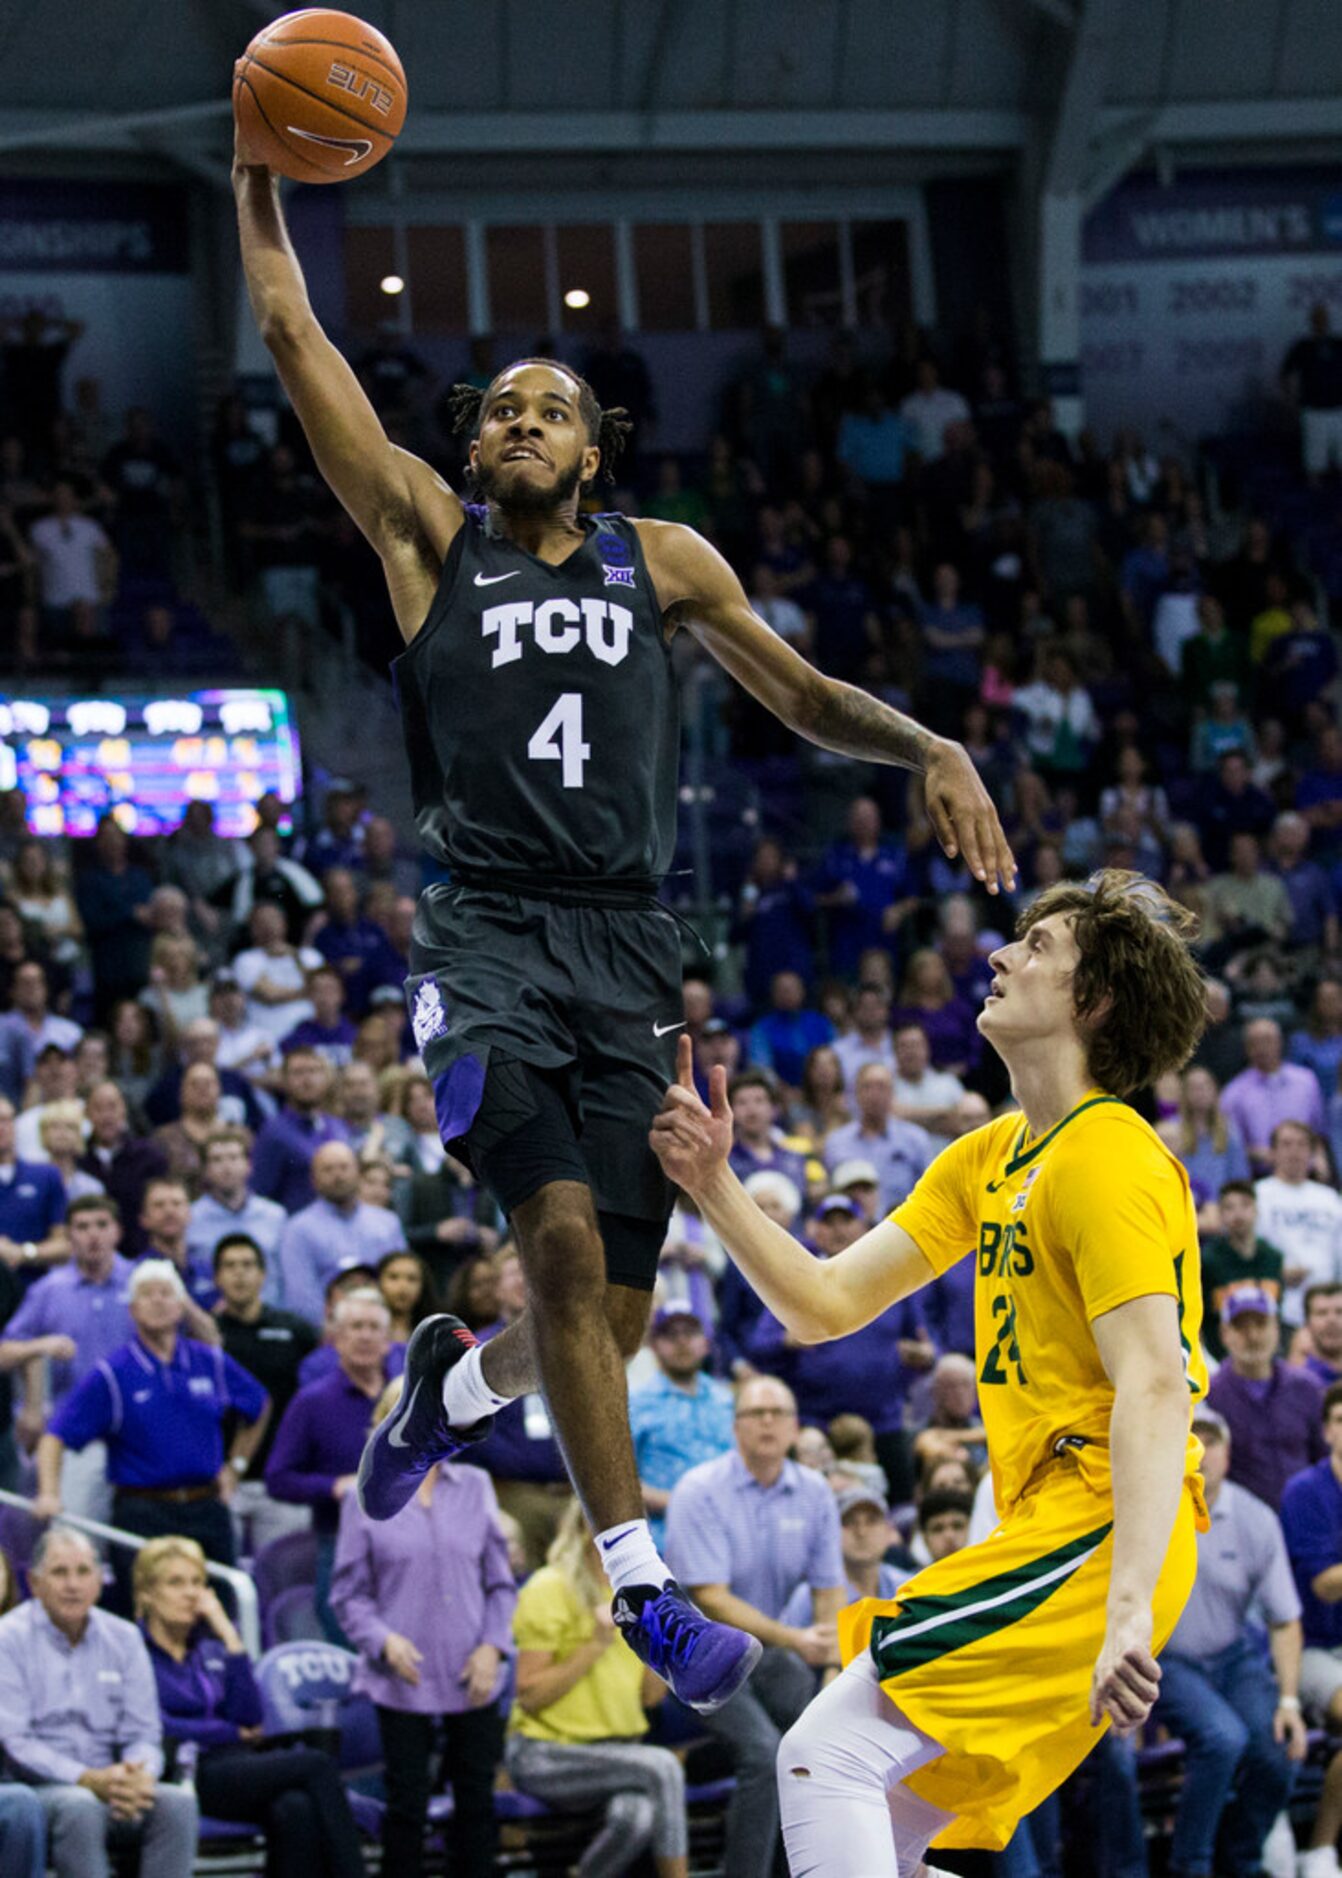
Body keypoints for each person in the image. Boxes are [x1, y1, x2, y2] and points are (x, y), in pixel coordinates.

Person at [235, 129, 1015, 1714]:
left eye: (550, 406)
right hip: (488, 930)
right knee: (563, 1235)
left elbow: (798, 695)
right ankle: (641, 1577)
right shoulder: (421, 538)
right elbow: (292, 333)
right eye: (497, 406)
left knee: (600, 1315)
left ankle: (445, 1392)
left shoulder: (663, 560)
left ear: (592, 450)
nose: (516, 418)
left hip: (629, 944)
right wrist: (258, 177)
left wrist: (928, 742)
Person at [651, 869, 1210, 1874]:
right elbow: (821, 1303)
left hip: (1099, 1528)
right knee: (896, 1819)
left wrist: (1126, 1605)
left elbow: (1156, 1384)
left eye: (1038, 948)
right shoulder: (992, 1154)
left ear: (1092, 1003)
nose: (999, 954)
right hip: (1051, 1523)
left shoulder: (1108, 1157)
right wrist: (712, 1183)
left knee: (824, 1756)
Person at [663, 1375, 846, 1877]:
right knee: (765, 1755)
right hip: (693, 1656)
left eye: (778, 1413)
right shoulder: (698, 1490)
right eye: (755, 1414)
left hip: (765, 1658)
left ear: (794, 1427)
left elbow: (829, 1588)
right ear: (735, 1427)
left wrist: (830, 1664)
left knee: (822, 1742)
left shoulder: (815, 1493)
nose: (767, 1423)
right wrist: (796, 1639)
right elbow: (709, 1597)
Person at [331, 1378, 514, 1877]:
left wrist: (493, 1648)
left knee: (477, 1803)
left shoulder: (476, 1487)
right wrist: (381, 1640)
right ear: (384, 1425)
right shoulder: (363, 1498)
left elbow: (501, 1584)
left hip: (471, 1672)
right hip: (402, 1678)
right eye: (404, 1413)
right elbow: (348, 1595)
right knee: (407, 1805)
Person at [135, 1534, 364, 1875]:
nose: (190, 1593)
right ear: (147, 1594)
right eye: (175, 1582)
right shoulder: (133, 1651)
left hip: (233, 1764)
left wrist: (229, 1636)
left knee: (295, 1808)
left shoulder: (210, 1649)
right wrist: (228, 1732)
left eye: (198, 1582)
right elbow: (155, 1724)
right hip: (181, 1769)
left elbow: (251, 1716)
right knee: (316, 1765)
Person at [36, 1260, 269, 1575]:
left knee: (221, 1604)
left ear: (181, 1306)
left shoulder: (209, 1361)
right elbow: (55, 1436)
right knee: (143, 1610)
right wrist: (49, 1494)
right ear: (132, 1309)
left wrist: (236, 1466)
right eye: (147, 1294)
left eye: (166, 1293)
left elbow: (259, 1403)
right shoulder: (114, 1373)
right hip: (143, 1510)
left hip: (207, 1504)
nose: (158, 1301)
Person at [1152, 1405, 1307, 1878]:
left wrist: (1289, 1700)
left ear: (1227, 1451)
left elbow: (1285, 1619)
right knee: (1223, 1739)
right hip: (1166, 1660)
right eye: (1191, 1437)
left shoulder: (1255, 1517)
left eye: (1212, 1440)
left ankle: (1241, 1859)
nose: (1202, 1450)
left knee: (1277, 1745)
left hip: (1231, 1656)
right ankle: (1190, 1866)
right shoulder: (1149, 1508)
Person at [506, 1496, 690, 1878]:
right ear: (583, 1531)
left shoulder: (640, 1597)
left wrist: (659, 1644)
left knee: (635, 1817)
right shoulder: (549, 1587)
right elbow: (530, 1697)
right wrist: (595, 1644)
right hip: (545, 1755)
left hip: (618, 1754)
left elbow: (649, 1698)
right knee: (662, 1767)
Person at [0, 1525, 198, 1878]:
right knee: (80, 1807)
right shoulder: (8, 1638)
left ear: (99, 1580)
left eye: (83, 1572)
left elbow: (144, 1732)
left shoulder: (124, 1637)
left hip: (116, 1787)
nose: (73, 1585)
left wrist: (139, 1775)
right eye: (60, 1573)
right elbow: (16, 1742)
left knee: (178, 1803)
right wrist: (86, 1778)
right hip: (42, 1789)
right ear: (34, 1581)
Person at [264, 1287, 396, 1641]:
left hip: (406, 1546)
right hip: (339, 1544)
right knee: (349, 1650)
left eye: (373, 1327)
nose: (365, 1336)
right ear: (335, 1339)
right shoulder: (312, 1402)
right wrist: (332, 1487)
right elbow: (278, 1478)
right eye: (355, 1327)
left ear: (388, 1340)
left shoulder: (407, 1397)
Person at [0, 1193, 133, 1521]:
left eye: (102, 1225)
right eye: (82, 1226)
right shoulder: (48, 1290)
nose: (93, 1235)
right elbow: (5, 1353)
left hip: (137, 1435)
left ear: (118, 1231)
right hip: (73, 1440)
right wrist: (40, 1346)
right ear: (69, 1235)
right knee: (77, 1538)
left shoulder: (142, 1283)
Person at [212, 1231, 318, 1554]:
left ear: (263, 1274)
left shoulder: (295, 1330)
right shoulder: (204, 1333)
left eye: (247, 1264)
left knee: (283, 1582)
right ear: (216, 1277)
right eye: (229, 1266)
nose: (239, 1273)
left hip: (281, 1479)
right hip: (219, 1479)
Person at [1206, 1287, 1326, 1511]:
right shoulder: (1211, 1396)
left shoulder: (1307, 1388)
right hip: (1243, 1524)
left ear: (1277, 1329)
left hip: (1305, 1515)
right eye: (1241, 1327)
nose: (1252, 1336)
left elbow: (1324, 1456)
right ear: (1224, 1334)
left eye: (1261, 1324)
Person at [629, 1305, 735, 1551]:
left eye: (690, 1333)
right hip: (665, 1539)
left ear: (706, 1342)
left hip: (727, 1535)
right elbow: (619, 1482)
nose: (682, 1342)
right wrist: (679, 1502)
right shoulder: (636, 1403)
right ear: (653, 1345)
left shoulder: (726, 1400)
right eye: (671, 1335)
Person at [275, 1139, 405, 1324]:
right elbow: (301, 1298)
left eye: (344, 1167)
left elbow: (402, 1282)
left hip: (384, 1328)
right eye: (328, 1169)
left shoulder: (387, 1223)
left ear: (358, 1173)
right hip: (328, 1335)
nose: (338, 1175)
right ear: (313, 1180)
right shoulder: (298, 1229)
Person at [1254, 1119, 1342, 1328]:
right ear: (1272, 1152)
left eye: (1302, 1145)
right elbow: (1251, 1251)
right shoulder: (1258, 1195)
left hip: (1327, 1308)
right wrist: (1276, 1271)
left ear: (1312, 1153)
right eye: (1286, 1144)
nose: (1294, 1151)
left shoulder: (1329, 1198)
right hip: (1278, 1306)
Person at [250, 1046, 349, 1214]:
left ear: (326, 1078)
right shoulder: (273, 1132)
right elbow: (260, 1193)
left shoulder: (338, 1126)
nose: (307, 1080)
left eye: (313, 1071)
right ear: (284, 1081)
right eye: (298, 1073)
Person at [1198, 1180, 1285, 1363]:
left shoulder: (1273, 1257)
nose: (1238, 1214)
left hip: (1266, 1355)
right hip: (1219, 1358)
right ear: (1221, 1215)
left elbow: (1277, 1312)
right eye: (1229, 1208)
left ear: (1256, 1211)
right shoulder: (1208, 1260)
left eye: (1245, 1205)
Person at [185, 1126, 286, 1280]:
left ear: (249, 1165)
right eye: (217, 1160)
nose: (227, 1167)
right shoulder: (190, 1218)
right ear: (205, 1170)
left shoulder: (275, 1216)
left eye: (233, 1158)